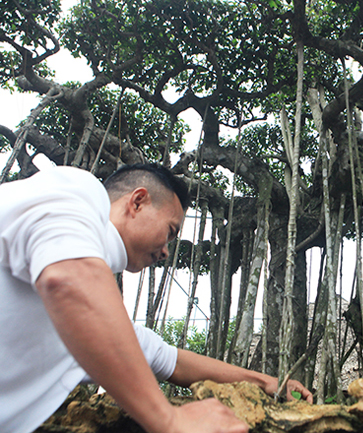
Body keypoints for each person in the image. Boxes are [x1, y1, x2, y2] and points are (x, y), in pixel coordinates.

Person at [0, 163, 312, 433]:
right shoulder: (78, 191)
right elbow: (68, 277)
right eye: (171, 231)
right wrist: (168, 421)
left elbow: (171, 361)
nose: (165, 252)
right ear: (137, 201)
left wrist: (270, 383)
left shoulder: (89, 325)